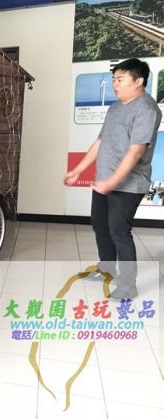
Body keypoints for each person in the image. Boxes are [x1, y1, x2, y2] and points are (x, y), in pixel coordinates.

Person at [64, 58, 161, 300]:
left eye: (120, 80)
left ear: (139, 81)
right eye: (113, 80)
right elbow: (100, 142)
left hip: (128, 185)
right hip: (104, 181)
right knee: (100, 225)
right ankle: (106, 269)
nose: (115, 85)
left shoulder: (147, 109)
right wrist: (78, 170)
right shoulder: (115, 107)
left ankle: (128, 286)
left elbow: (136, 151)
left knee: (119, 231)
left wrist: (111, 182)